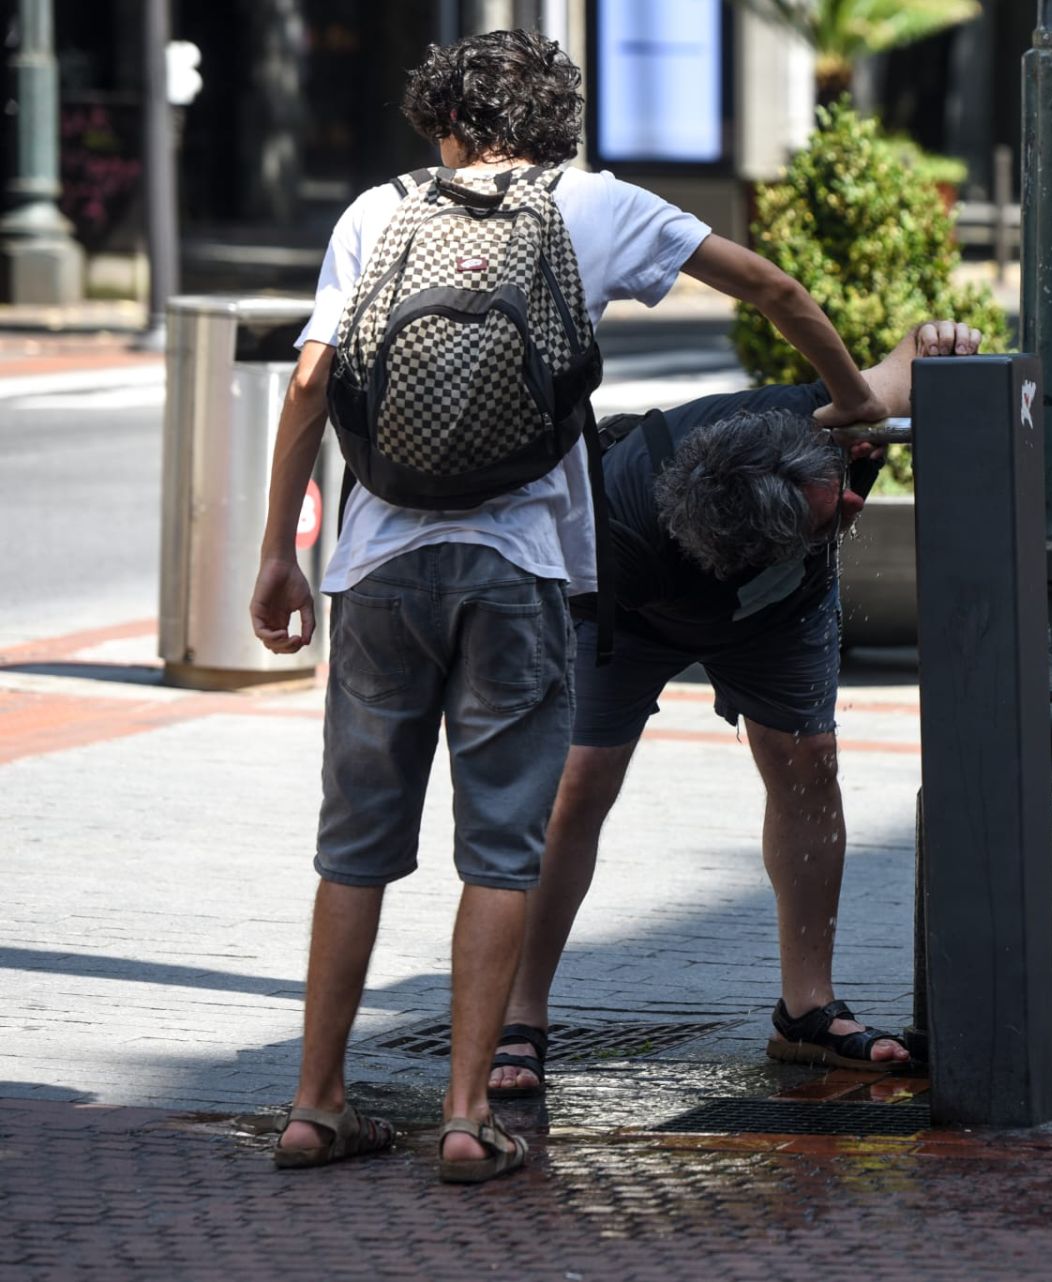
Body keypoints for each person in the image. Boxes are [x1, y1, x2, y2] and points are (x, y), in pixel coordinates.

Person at [249, 29, 884, 1184]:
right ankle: (464, 1115)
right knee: (500, 848)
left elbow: (309, 380)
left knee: (353, 849)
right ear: (556, 121)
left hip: (379, 566)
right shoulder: (593, 204)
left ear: (443, 121)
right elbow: (774, 289)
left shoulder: (375, 214)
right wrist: (848, 404)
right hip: (524, 564)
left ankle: (315, 1102)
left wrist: (279, 554)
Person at [487, 319, 984, 1097]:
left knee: (808, 765)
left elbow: (904, 363)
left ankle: (806, 1012)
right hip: (624, 615)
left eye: (843, 485)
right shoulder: (609, 537)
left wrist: (941, 340)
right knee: (578, 779)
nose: (856, 499)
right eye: (836, 516)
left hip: (781, 612)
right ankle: (518, 1015)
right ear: (747, 551)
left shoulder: (816, 421)